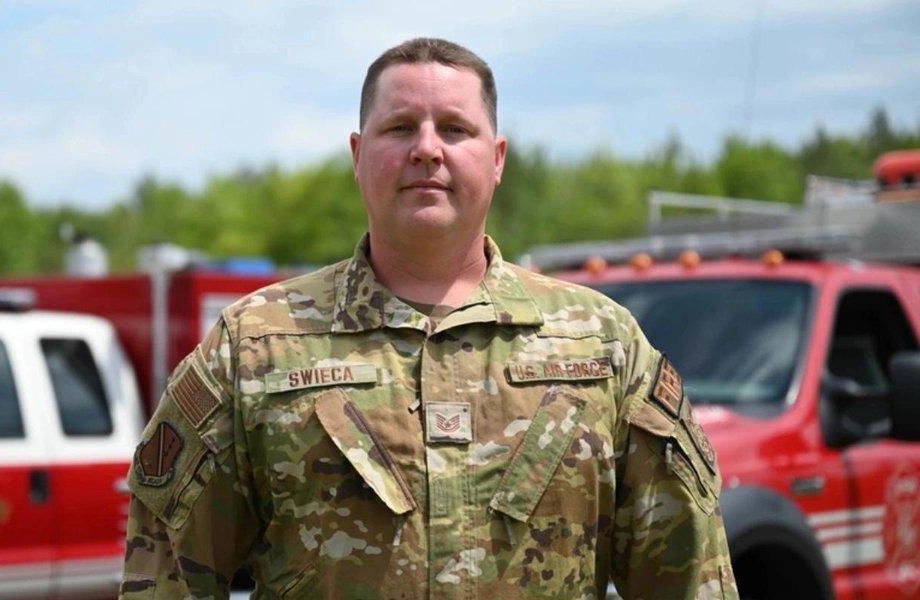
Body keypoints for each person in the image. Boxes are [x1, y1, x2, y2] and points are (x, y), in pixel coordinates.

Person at [121, 37, 737, 599]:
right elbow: (167, 577)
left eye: (454, 128)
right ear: (359, 156)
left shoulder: (602, 343)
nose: (426, 149)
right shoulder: (255, 347)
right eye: (398, 127)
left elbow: (689, 576)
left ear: (496, 159)